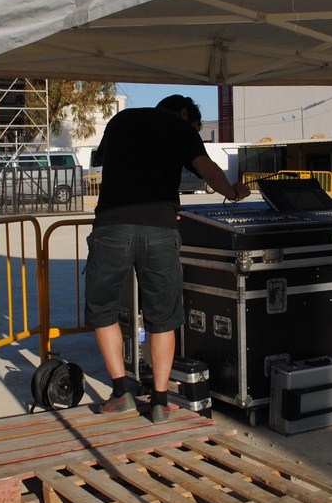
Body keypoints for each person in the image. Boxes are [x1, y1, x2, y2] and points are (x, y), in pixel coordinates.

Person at [86, 95, 250, 423]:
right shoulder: (180, 128)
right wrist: (233, 193)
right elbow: (207, 169)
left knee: (103, 310)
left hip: (112, 226)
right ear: (184, 113)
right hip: (160, 228)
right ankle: (160, 402)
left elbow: (105, 161)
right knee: (163, 317)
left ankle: (121, 393)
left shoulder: (119, 121)